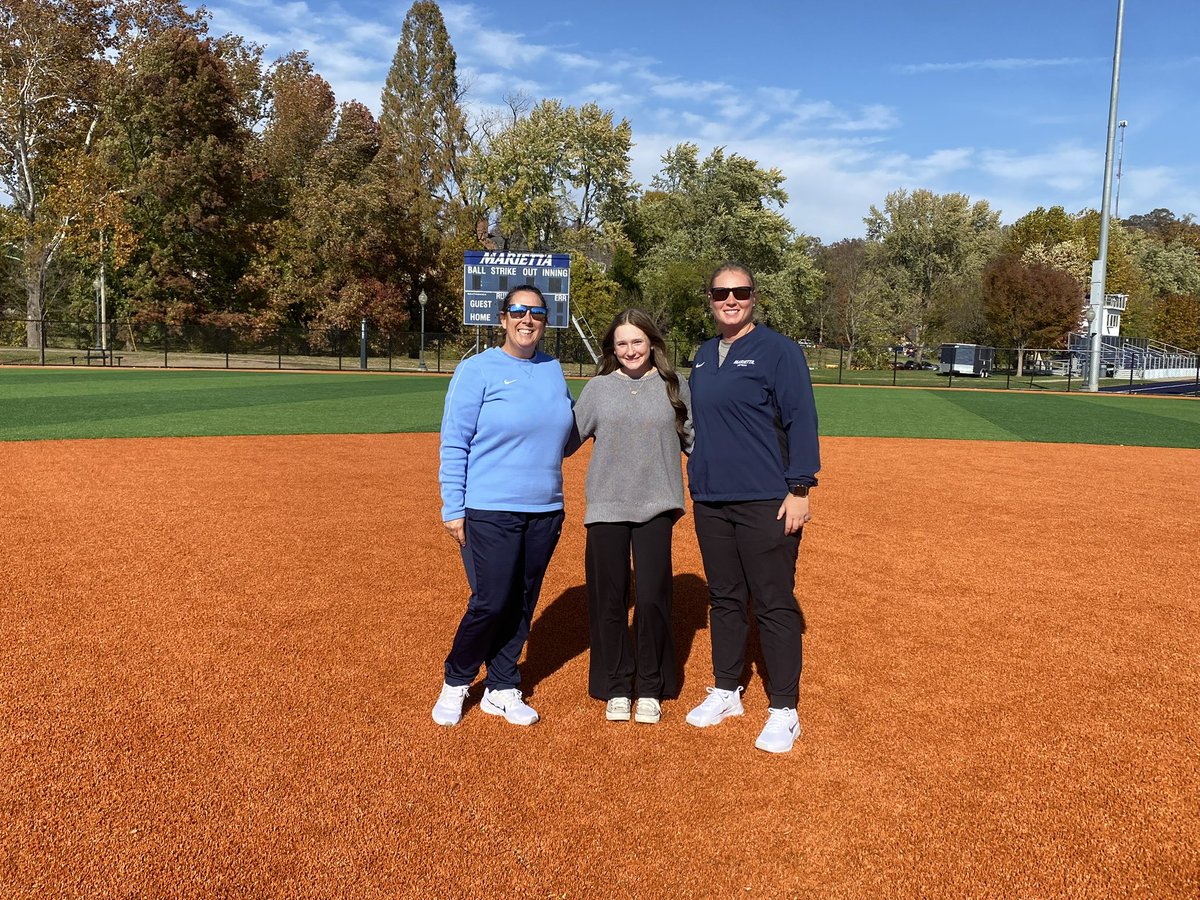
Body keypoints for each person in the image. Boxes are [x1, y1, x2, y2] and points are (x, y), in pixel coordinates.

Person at [684, 262, 820, 754]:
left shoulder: (779, 351)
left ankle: (784, 708)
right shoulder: (701, 356)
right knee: (724, 597)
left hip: (766, 497)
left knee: (774, 601)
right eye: (721, 292)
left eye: (739, 291)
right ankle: (726, 690)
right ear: (710, 298)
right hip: (712, 498)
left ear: (753, 296)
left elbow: (802, 418)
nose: (730, 300)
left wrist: (800, 489)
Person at [432, 285, 575, 728]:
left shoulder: (553, 370)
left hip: (546, 507)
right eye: (518, 311)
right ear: (502, 319)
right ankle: (456, 680)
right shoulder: (477, 370)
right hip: (490, 505)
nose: (527, 319)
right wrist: (452, 506)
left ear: (544, 321)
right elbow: (454, 441)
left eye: (536, 312)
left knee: (524, 601)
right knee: (491, 601)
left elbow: (565, 436)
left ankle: (502, 685)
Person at [569, 309, 692, 725]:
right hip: (606, 506)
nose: (630, 350)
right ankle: (617, 685)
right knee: (609, 597)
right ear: (612, 349)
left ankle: (651, 685)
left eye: (637, 341)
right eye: (621, 343)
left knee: (654, 597)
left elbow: (696, 442)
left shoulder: (675, 387)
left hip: (657, 504)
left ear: (652, 343)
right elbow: (566, 439)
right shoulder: (599, 389)